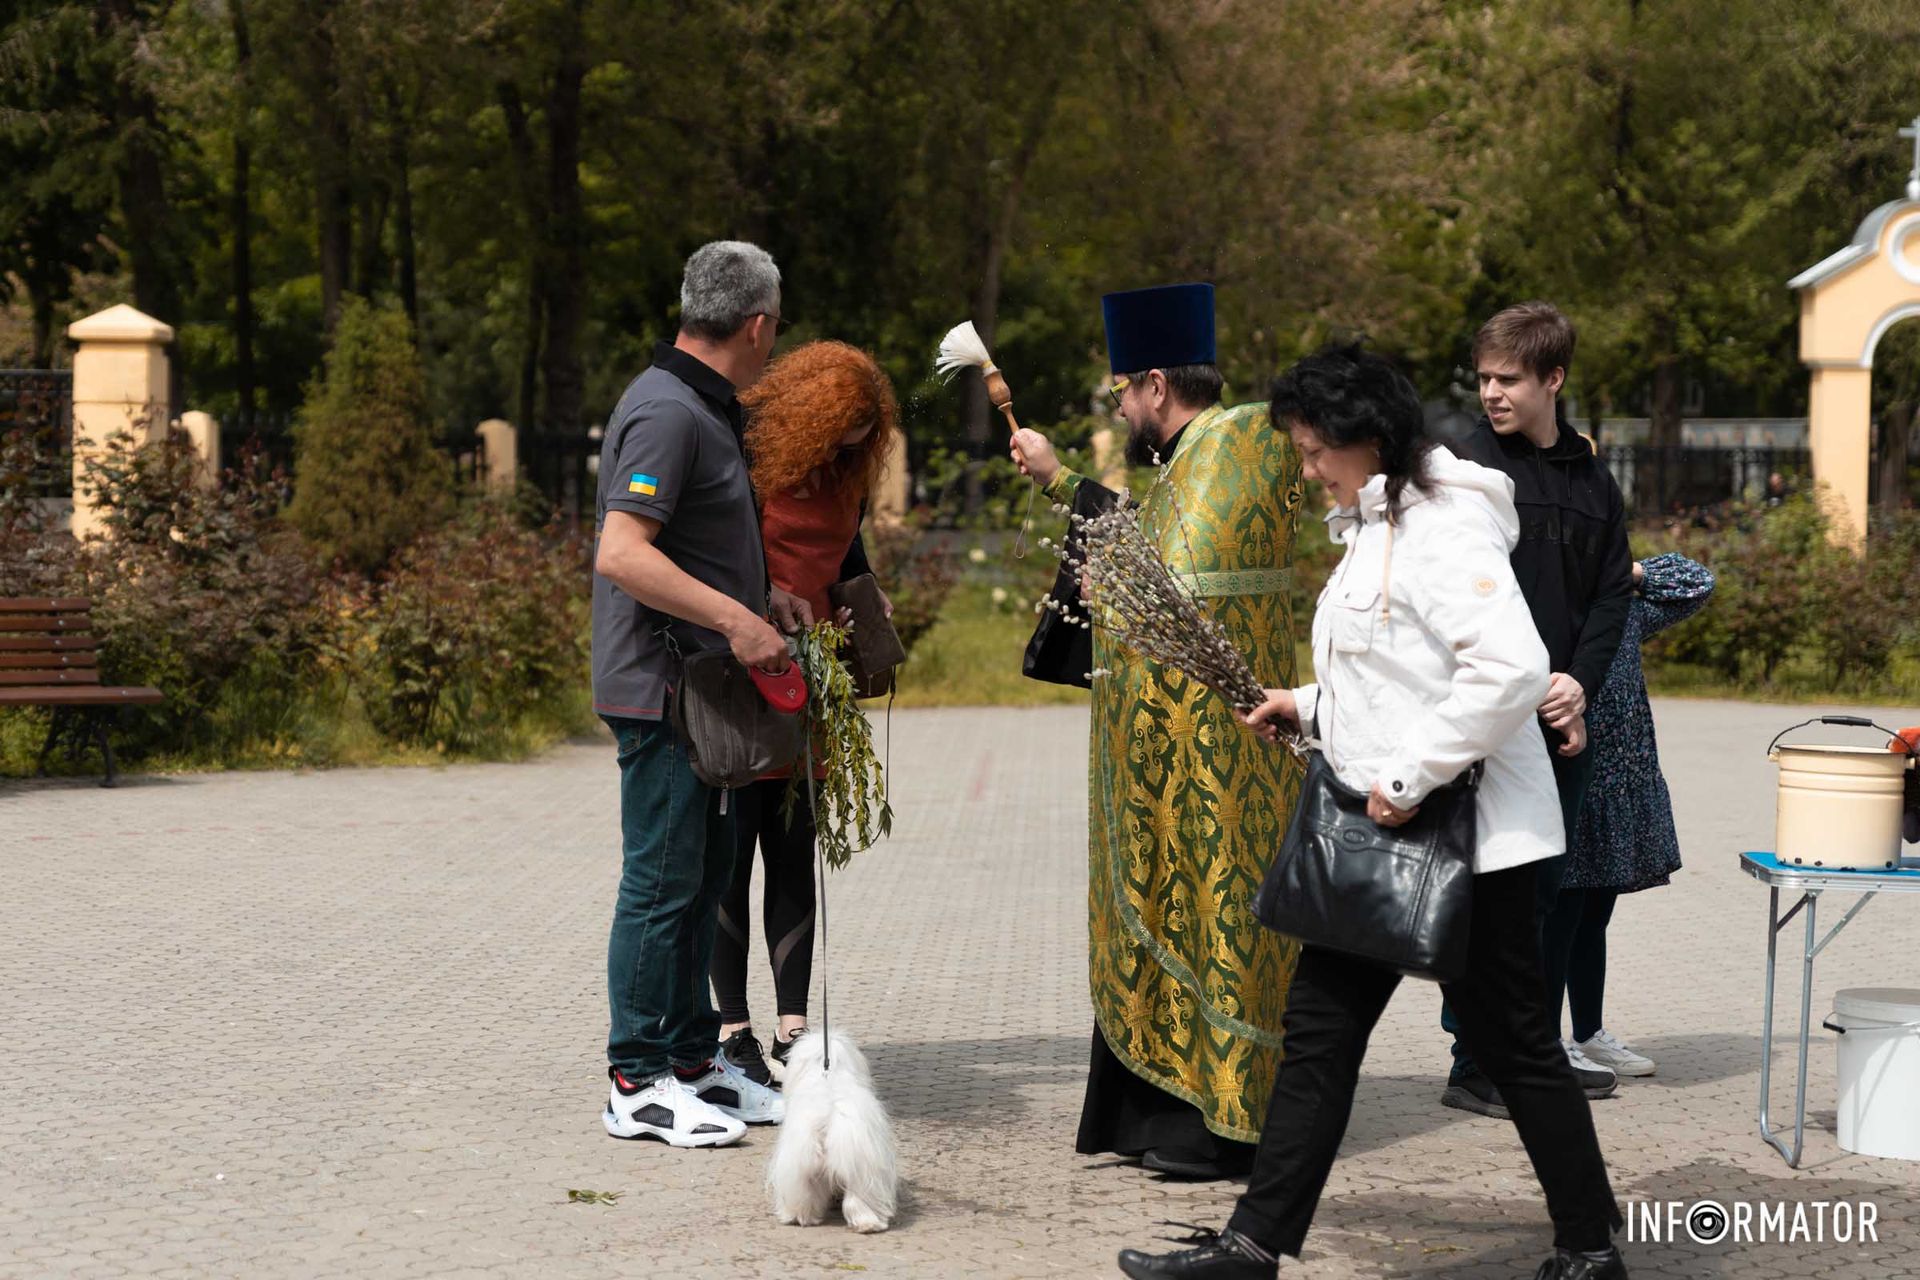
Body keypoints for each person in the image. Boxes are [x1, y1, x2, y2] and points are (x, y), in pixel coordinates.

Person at [1116, 344, 1625, 1280]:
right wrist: (1306, 703)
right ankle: (1252, 1245)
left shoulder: (1443, 527)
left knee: (1515, 1048)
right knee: (1318, 1041)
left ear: (1372, 441)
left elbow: (1508, 669)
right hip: (1378, 832)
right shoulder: (1377, 519)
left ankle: (1591, 1246)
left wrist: (1408, 778)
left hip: (1469, 844)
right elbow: (1395, 667)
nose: (1308, 470)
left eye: (1316, 452)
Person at [1009, 283, 1307, 1180]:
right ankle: (1157, 1117)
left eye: (1120, 395)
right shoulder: (1197, 460)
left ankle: (1211, 1127)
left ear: (1152, 384)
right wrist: (1065, 485)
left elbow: (1176, 600)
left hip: (1214, 760)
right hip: (1183, 756)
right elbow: (1154, 558)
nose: (1123, 410)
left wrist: (1111, 585)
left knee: (1216, 912)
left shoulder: (1231, 448)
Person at [591, 240, 805, 1149]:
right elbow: (624, 553)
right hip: (668, 690)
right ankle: (636, 1078)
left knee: (703, 877)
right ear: (756, 325)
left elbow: (691, 544)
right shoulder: (668, 412)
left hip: (707, 692)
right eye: (776, 328)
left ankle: (691, 1062)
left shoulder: (702, 408)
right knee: (664, 883)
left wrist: (766, 601)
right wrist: (743, 625)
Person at [1441, 301, 1635, 1117]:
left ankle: (1529, 1050)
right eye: (1483, 378)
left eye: (1508, 379)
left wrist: (1579, 684)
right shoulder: (1461, 471)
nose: (1491, 393)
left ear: (1553, 379)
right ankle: (1473, 1060)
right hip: (1486, 716)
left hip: (1562, 721)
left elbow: (1610, 596)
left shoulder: (1593, 481)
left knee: (1543, 892)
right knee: (1479, 891)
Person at [711, 341, 898, 1085]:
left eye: (863, 440)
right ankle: (732, 1028)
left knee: (793, 844)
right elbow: (719, 555)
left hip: (813, 673)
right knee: (731, 855)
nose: (850, 452)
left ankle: (794, 1027)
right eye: (840, 437)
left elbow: (846, 546)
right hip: (742, 667)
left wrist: (865, 586)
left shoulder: (846, 470)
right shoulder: (747, 457)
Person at [1554, 553, 1714, 1077]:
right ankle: (1546, 1039)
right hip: (1572, 773)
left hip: (1623, 774)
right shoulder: (1548, 607)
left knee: (1595, 912)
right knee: (1562, 913)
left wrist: (1629, 571)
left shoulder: (1621, 607)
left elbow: (1697, 584)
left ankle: (1589, 1032)